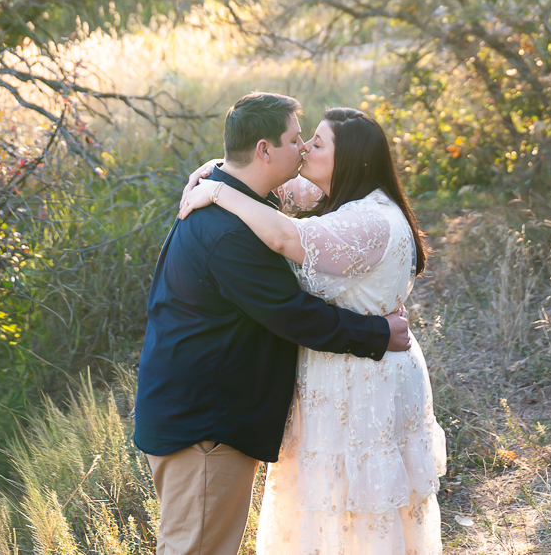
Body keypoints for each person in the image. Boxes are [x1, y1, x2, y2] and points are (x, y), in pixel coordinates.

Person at [134, 92, 412, 555]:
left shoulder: (238, 202)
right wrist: (379, 333)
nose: (303, 148)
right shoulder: (229, 230)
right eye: (296, 139)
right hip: (205, 428)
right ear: (264, 150)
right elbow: (291, 314)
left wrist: (216, 173)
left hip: (203, 418)